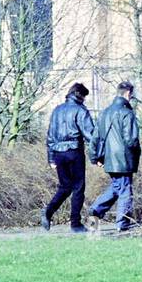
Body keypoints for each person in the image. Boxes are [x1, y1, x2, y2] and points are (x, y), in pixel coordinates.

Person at [89, 81, 142, 233]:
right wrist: (137, 154)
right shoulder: (127, 113)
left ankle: (96, 211)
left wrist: (94, 157)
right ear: (128, 93)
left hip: (109, 159)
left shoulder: (104, 113)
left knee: (116, 187)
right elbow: (131, 140)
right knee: (125, 190)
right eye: (131, 95)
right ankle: (122, 224)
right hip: (123, 158)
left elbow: (95, 138)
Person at [44, 82, 96, 233]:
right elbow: (90, 135)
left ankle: (48, 211)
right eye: (84, 97)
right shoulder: (80, 110)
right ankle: (75, 224)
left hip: (59, 153)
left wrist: (51, 158)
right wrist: (98, 153)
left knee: (65, 187)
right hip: (74, 151)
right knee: (78, 188)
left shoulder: (57, 111)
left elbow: (50, 136)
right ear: (80, 95)